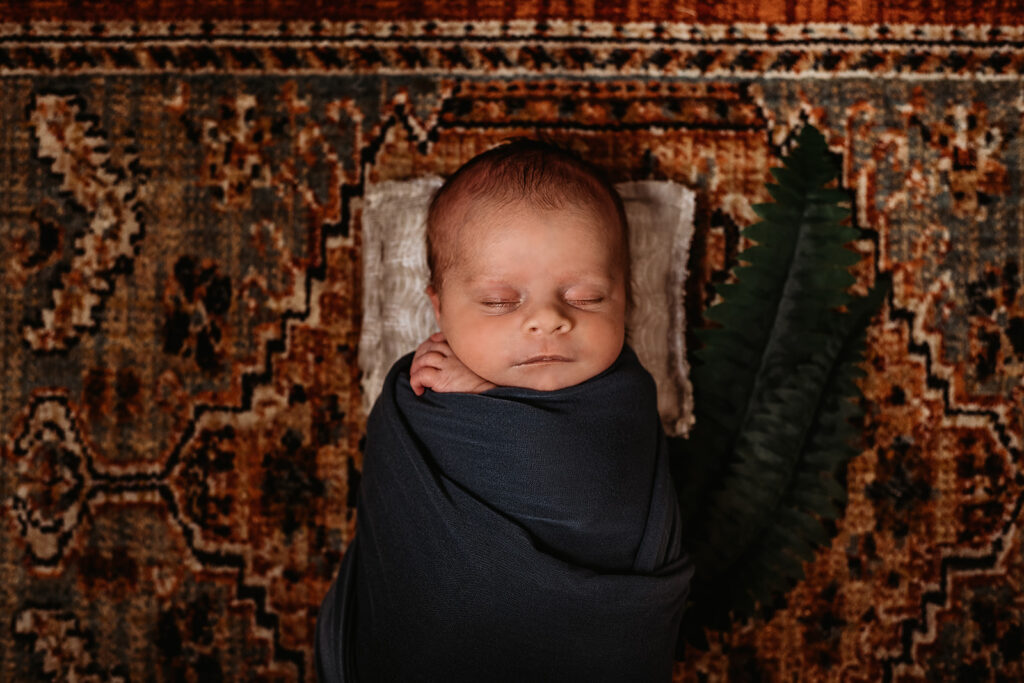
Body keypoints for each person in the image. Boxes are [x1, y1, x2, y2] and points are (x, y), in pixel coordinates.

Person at [316, 139, 692, 682]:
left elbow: (597, 501)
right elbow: (396, 520)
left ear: (626, 300)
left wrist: (487, 397)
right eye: (498, 301)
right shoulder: (421, 398)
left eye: (587, 297)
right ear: (439, 308)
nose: (546, 320)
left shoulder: (625, 399)